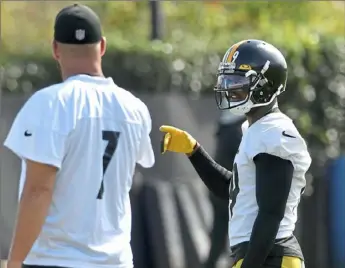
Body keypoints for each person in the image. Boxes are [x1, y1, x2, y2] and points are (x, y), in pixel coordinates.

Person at [4, 4, 154, 268]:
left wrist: (15, 262)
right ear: (103, 46)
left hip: (54, 260)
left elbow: (38, 190)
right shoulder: (134, 108)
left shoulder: (48, 103)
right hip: (115, 261)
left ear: (55, 49)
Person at [160, 39, 311, 268]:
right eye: (227, 80)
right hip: (262, 255)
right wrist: (194, 151)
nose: (229, 87)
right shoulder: (256, 129)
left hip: (272, 256)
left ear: (265, 85)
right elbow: (233, 190)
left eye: (237, 81)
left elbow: (271, 215)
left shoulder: (273, 132)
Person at [204, 112, 244, 268]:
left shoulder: (225, 129)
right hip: (232, 195)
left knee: (219, 243)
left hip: (221, 191)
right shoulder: (238, 131)